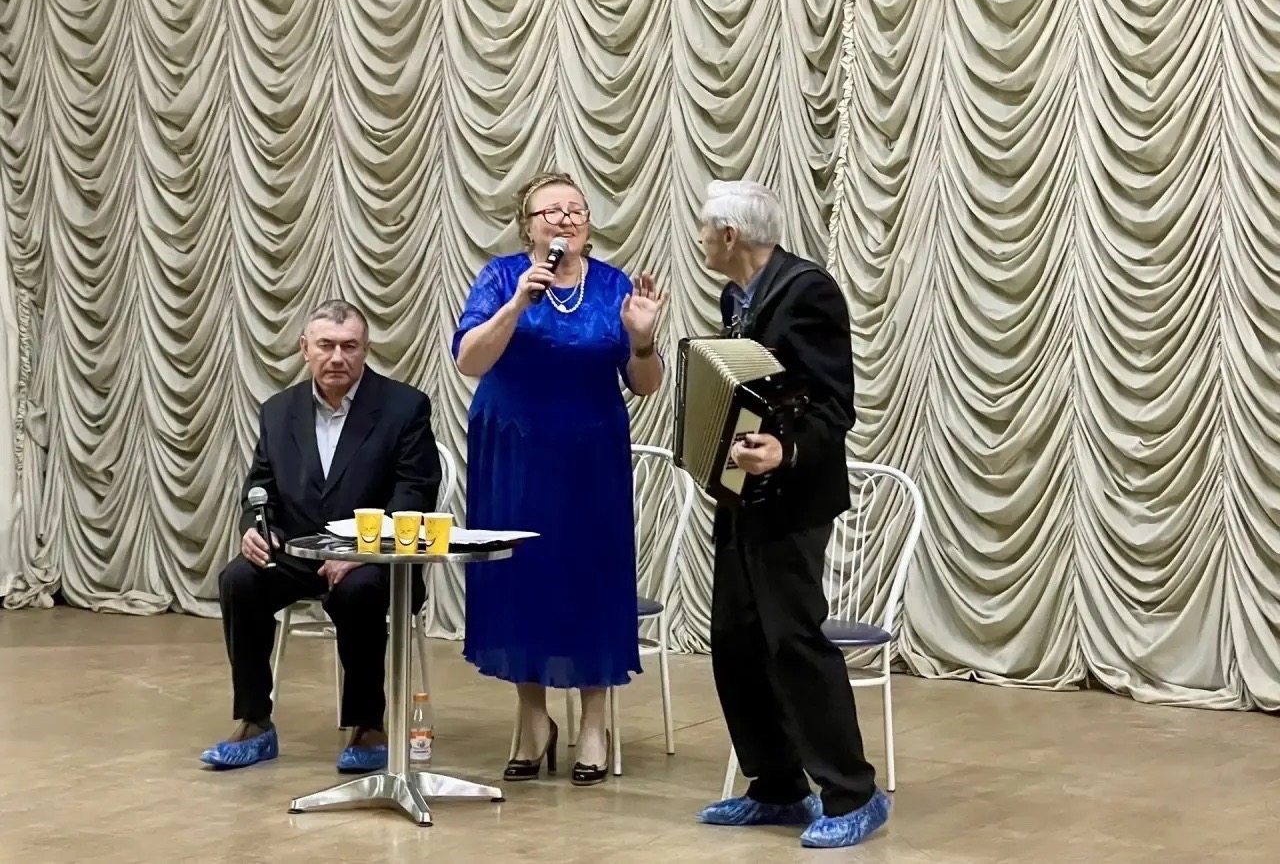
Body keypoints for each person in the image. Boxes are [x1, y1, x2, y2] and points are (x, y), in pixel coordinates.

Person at [692, 181, 890, 849]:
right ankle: (776, 786)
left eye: (704, 228)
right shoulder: (736, 297)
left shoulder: (809, 291)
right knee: (736, 640)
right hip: (741, 492)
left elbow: (834, 404)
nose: (699, 239)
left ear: (729, 236)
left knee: (793, 641)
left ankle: (853, 792)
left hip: (796, 497)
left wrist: (786, 448)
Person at [452, 171, 666, 786]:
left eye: (576, 210)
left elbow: (645, 384)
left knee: (590, 574)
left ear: (588, 224)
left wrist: (643, 342)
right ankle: (532, 717)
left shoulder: (615, 285)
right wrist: (518, 304)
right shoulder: (501, 277)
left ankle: (595, 721)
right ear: (528, 227)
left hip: (590, 452)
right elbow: (469, 360)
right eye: (552, 211)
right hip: (513, 448)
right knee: (521, 574)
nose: (566, 219)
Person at [201, 300, 441, 773]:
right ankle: (255, 722)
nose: (337, 357)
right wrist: (255, 529)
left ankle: (367, 725)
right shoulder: (278, 411)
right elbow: (260, 488)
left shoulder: (405, 407)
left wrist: (364, 551)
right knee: (238, 580)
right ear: (304, 349)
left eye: (349, 346)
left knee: (358, 590)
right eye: (326, 345)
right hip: (300, 551)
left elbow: (415, 492)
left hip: (380, 558)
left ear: (366, 350)